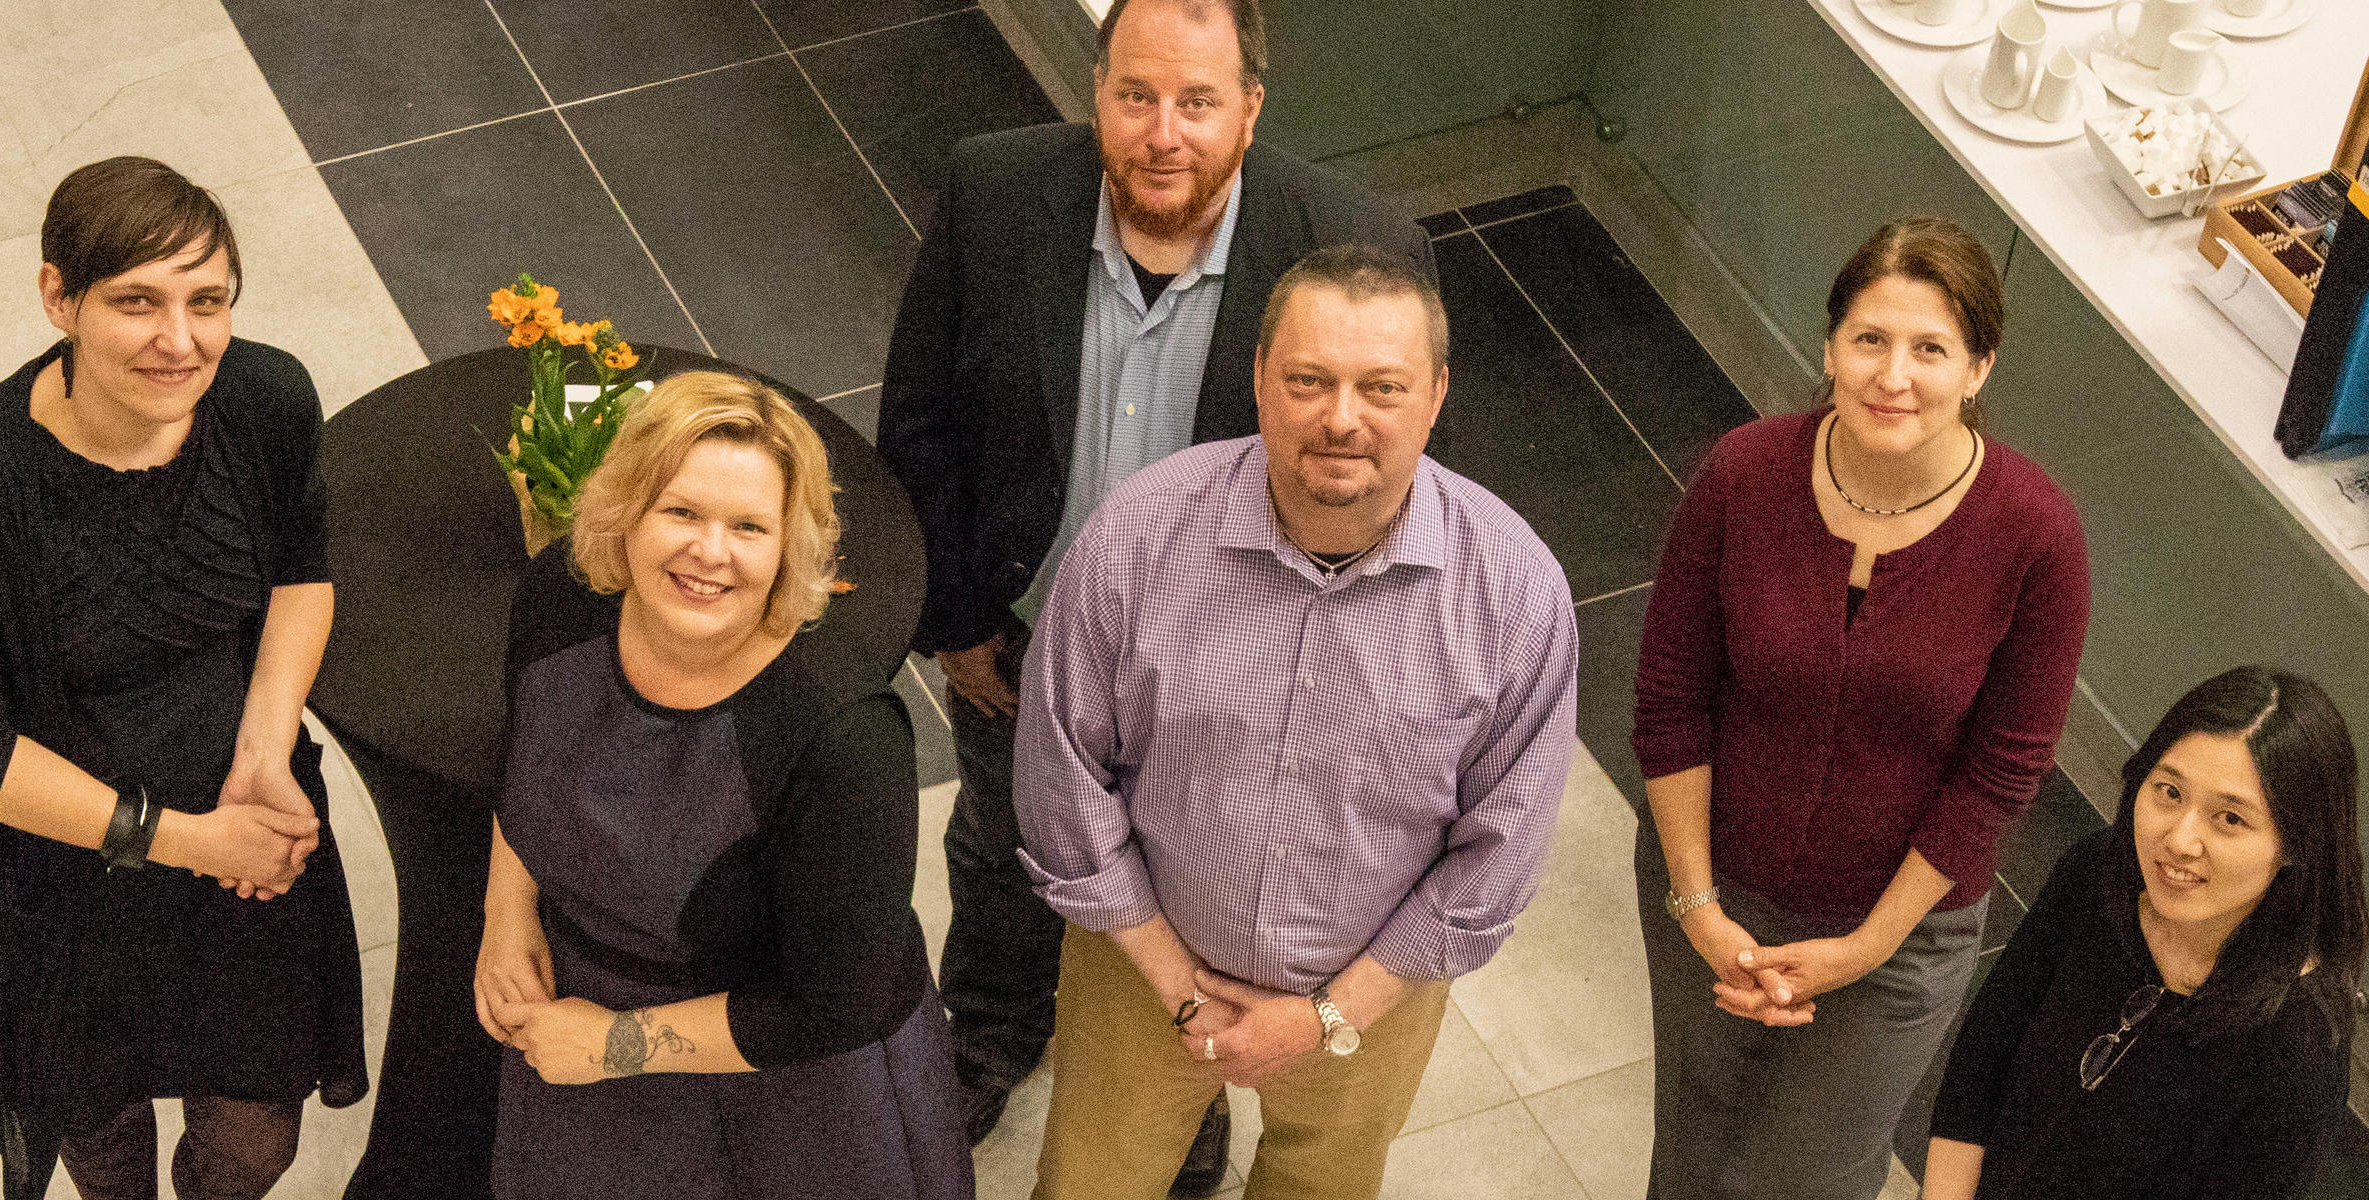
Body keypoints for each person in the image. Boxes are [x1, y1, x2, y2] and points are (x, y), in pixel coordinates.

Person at [875, 0, 1433, 1179]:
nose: (1162, 133)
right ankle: (992, 1031)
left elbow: (1388, 484)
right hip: (1020, 650)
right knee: (1002, 849)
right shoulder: (993, 190)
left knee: (1193, 902)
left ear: (1252, 108)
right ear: (1097, 92)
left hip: (1219, 690)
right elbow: (918, 423)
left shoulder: (1351, 244)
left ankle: (1187, 1101)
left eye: (1198, 102)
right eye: (1136, 97)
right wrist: (961, 621)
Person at [1013, 242, 1579, 1199]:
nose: (1341, 419)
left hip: (1375, 997)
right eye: (1309, 380)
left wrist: (1324, 1015)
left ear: (1437, 395)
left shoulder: (1516, 594)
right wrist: (1178, 985)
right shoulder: (1140, 536)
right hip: (1141, 968)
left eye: (1382, 388)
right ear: (1259, 381)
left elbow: (1499, 853)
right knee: (1090, 1185)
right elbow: (1063, 777)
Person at [0, 156, 367, 1200]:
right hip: (60, 872)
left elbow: (300, 574)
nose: (181, 340)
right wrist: (194, 842)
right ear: (58, 297)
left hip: (241, 817)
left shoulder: (264, 398)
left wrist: (263, 757)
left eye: (208, 302)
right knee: (104, 1148)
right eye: (137, 303)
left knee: (255, 1144)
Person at [1630, 217, 2092, 1200]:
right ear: (1831, 346)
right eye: (1871, 339)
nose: (1894, 375)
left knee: (1807, 1177)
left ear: (1979, 370)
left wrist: (1866, 947)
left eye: (1931, 349)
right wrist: (1698, 905)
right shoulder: (1743, 477)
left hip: (1900, 932)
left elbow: (2000, 772)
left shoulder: (2035, 535)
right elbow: (1671, 698)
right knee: (1694, 1146)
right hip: (1712, 884)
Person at [474, 371, 970, 1199]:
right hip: (579, 1027)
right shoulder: (561, 598)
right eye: (681, 512)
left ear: (789, 548)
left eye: (748, 526)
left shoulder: (843, 735)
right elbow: (526, 764)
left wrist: (610, 1047)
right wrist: (507, 912)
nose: (710, 552)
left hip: (786, 1086)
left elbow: (834, 1004)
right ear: (625, 512)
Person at [1924, 665, 2363, 1200]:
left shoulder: (2297, 1050)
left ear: (2296, 845)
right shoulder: (2098, 875)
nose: (2179, 840)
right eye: (2169, 791)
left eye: (2230, 819)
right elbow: (1984, 1056)